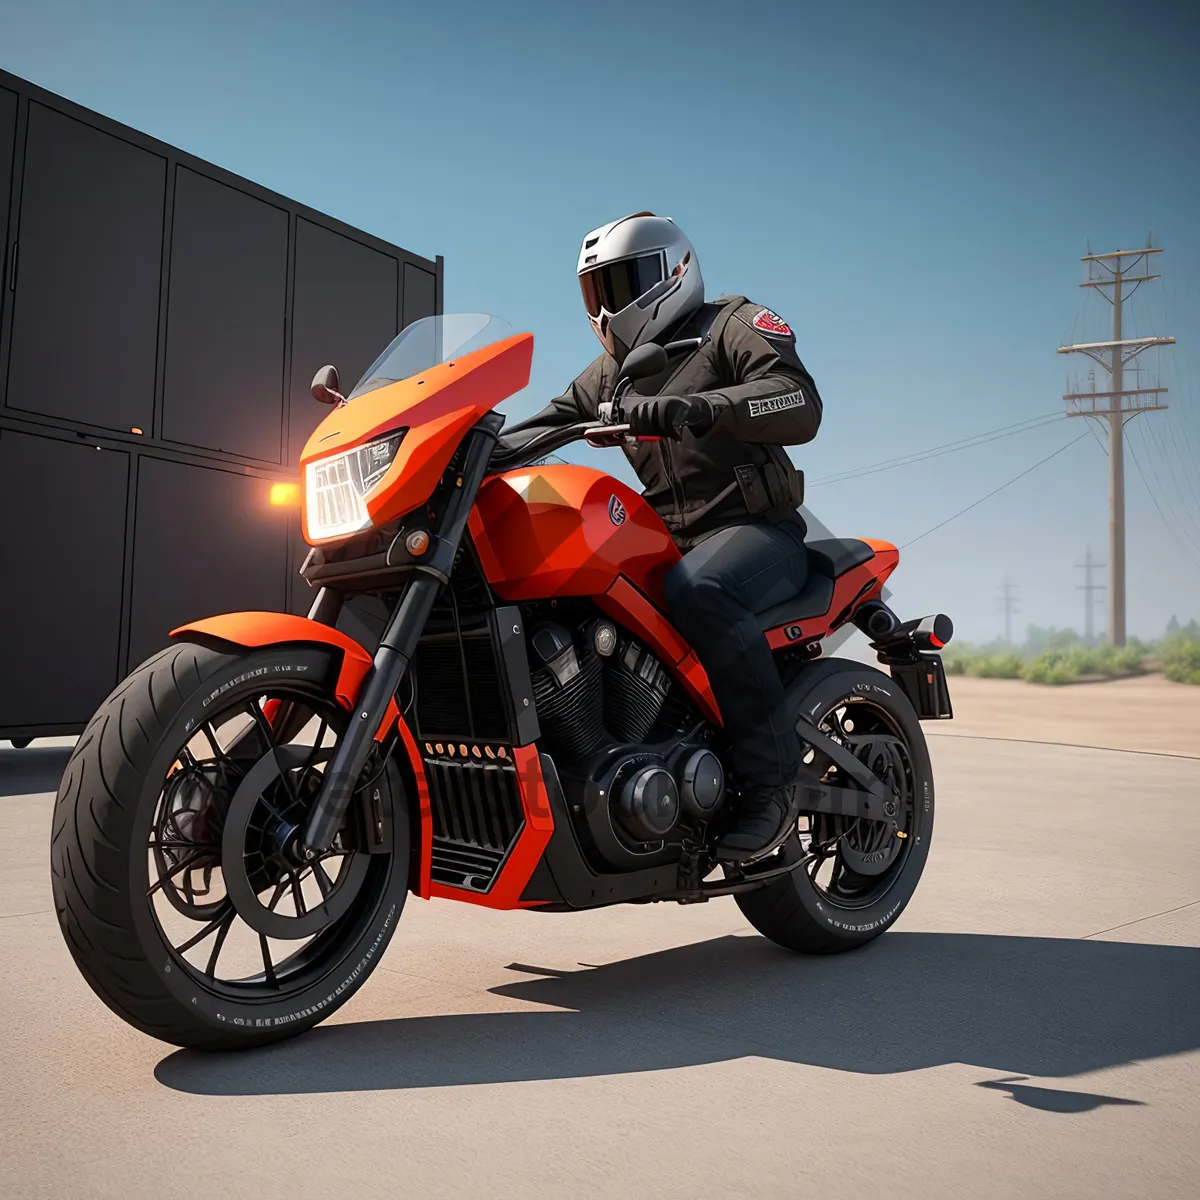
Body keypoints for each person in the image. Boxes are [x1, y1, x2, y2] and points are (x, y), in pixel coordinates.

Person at [500, 212, 823, 863]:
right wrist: (459, 443)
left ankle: (773, 784)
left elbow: (798, 401)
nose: (609, 305)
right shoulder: (610, 373)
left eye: (623, 282)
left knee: (701, 591)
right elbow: (542, 426)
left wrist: (704, 407)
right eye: (597, 290)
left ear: (673, 271)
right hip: (670, 543)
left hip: (758, 532)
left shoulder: (732, 324)